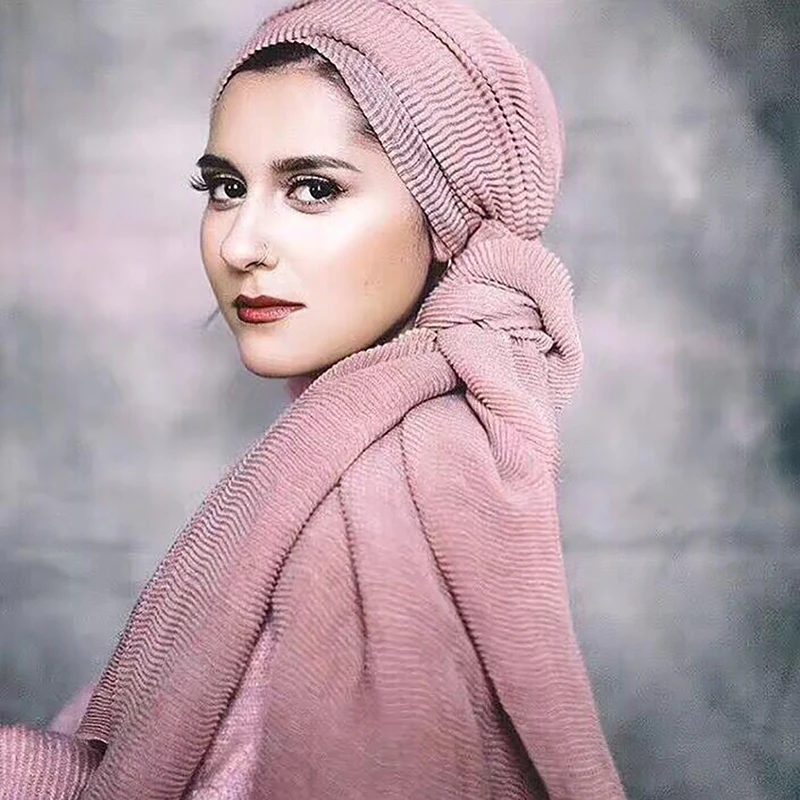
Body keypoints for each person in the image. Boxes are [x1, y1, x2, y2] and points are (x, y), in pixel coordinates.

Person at [0, 0, 628, 797]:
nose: (240, 244)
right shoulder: (351, 442)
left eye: (312, 188)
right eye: (225, 187)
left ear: (448, 215)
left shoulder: (398, 486)